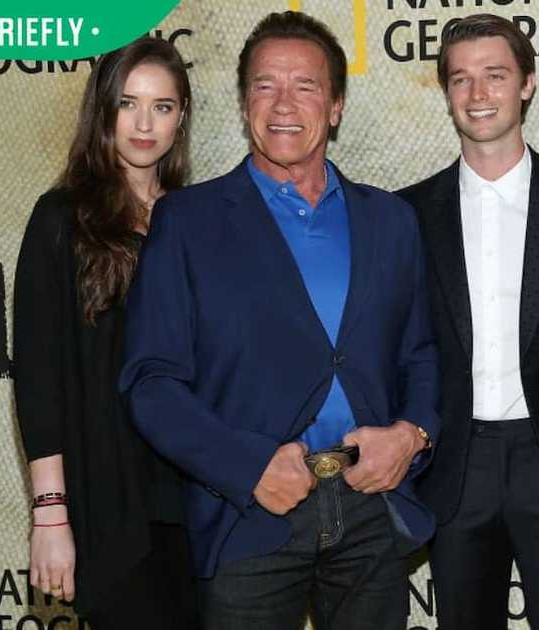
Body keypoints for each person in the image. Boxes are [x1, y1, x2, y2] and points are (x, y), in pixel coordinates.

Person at [118, 11, 440, 630]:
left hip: (371, 513)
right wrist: (248, 468)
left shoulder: (391, 221)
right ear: (244, 105)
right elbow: (151, 382)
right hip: (250, 517)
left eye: (307, 86)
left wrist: (413, 435)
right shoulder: (188, 223)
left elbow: (420, 352)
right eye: (265, 86)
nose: (284, 104)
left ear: (337, 106)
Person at [396, 13, 539, 630]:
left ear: (528, 83)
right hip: (455, 464)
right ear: (447, 93)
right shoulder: (407, 214)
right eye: (461, 79)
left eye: (495, 76)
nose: (478, 95)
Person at [12, 37, 198, 628]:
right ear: (103, 111)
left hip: (198, 502)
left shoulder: (198, 218)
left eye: (162, 106)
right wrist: (49, 515)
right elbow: (40, 376)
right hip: (109, 505)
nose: (144, 123)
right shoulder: (62, 217)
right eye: (128, 103)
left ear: (181, 118)